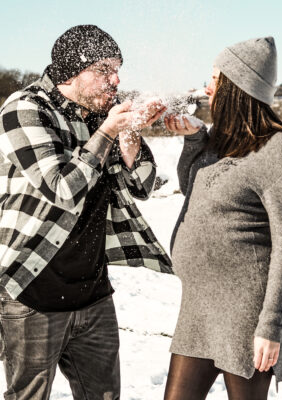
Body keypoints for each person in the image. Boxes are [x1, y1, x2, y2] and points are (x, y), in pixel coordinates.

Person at [0, 24, 172, 400]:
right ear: (70, 72)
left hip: (93, 293)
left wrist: (130, 131)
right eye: (104, 70)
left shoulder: (101, 113)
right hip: (31, 292)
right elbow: (62, 188)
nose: (116, 79)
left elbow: (142, 185)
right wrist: (110, 130)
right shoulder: (24, 109)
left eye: (118, 69)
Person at [163, 37, 282, 400]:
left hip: (247, 312)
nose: (207, 86)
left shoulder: (278, 147)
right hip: (198, 306)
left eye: (215, 78)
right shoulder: (219, 137)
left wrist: (270, 327)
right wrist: (195, 139)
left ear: (237, 86)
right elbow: (192, 189)